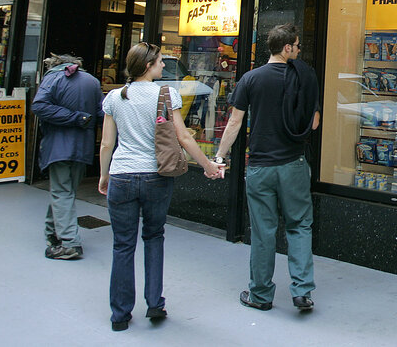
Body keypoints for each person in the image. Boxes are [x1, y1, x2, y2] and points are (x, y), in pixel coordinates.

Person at [98, 42, 223, 331]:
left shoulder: (115, 97)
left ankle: (120, 315)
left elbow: (107, 143)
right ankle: (155, 303)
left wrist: (104, 175)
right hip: (156, 176)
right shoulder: (167, 95)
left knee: (122, 245)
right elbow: (184, 138)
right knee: (154, 236)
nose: (163, 66)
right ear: (147, 66)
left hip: (122, 175)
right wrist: (208, 166)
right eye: (159, 62)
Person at [214, 24, 320, 313]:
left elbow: (234, 123)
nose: (298, 51)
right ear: (286, 48)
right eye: (296, 46)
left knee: (263, 231)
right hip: (293, 164)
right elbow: (313, 124)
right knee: (299, 226)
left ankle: (260, 295)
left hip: (260, 166)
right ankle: (302, 293)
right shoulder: (303, 78)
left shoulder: (250, 79)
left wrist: (220, 156)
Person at [33, 53, 103, 260]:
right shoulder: (92, 81)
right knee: (65, 191)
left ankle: (69, 243)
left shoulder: (53, 79)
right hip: (83, 147)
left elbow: (39, 106)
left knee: (61, 191)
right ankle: (52, 233)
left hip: (59, 146)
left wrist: (73, 117)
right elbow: (101, 114)